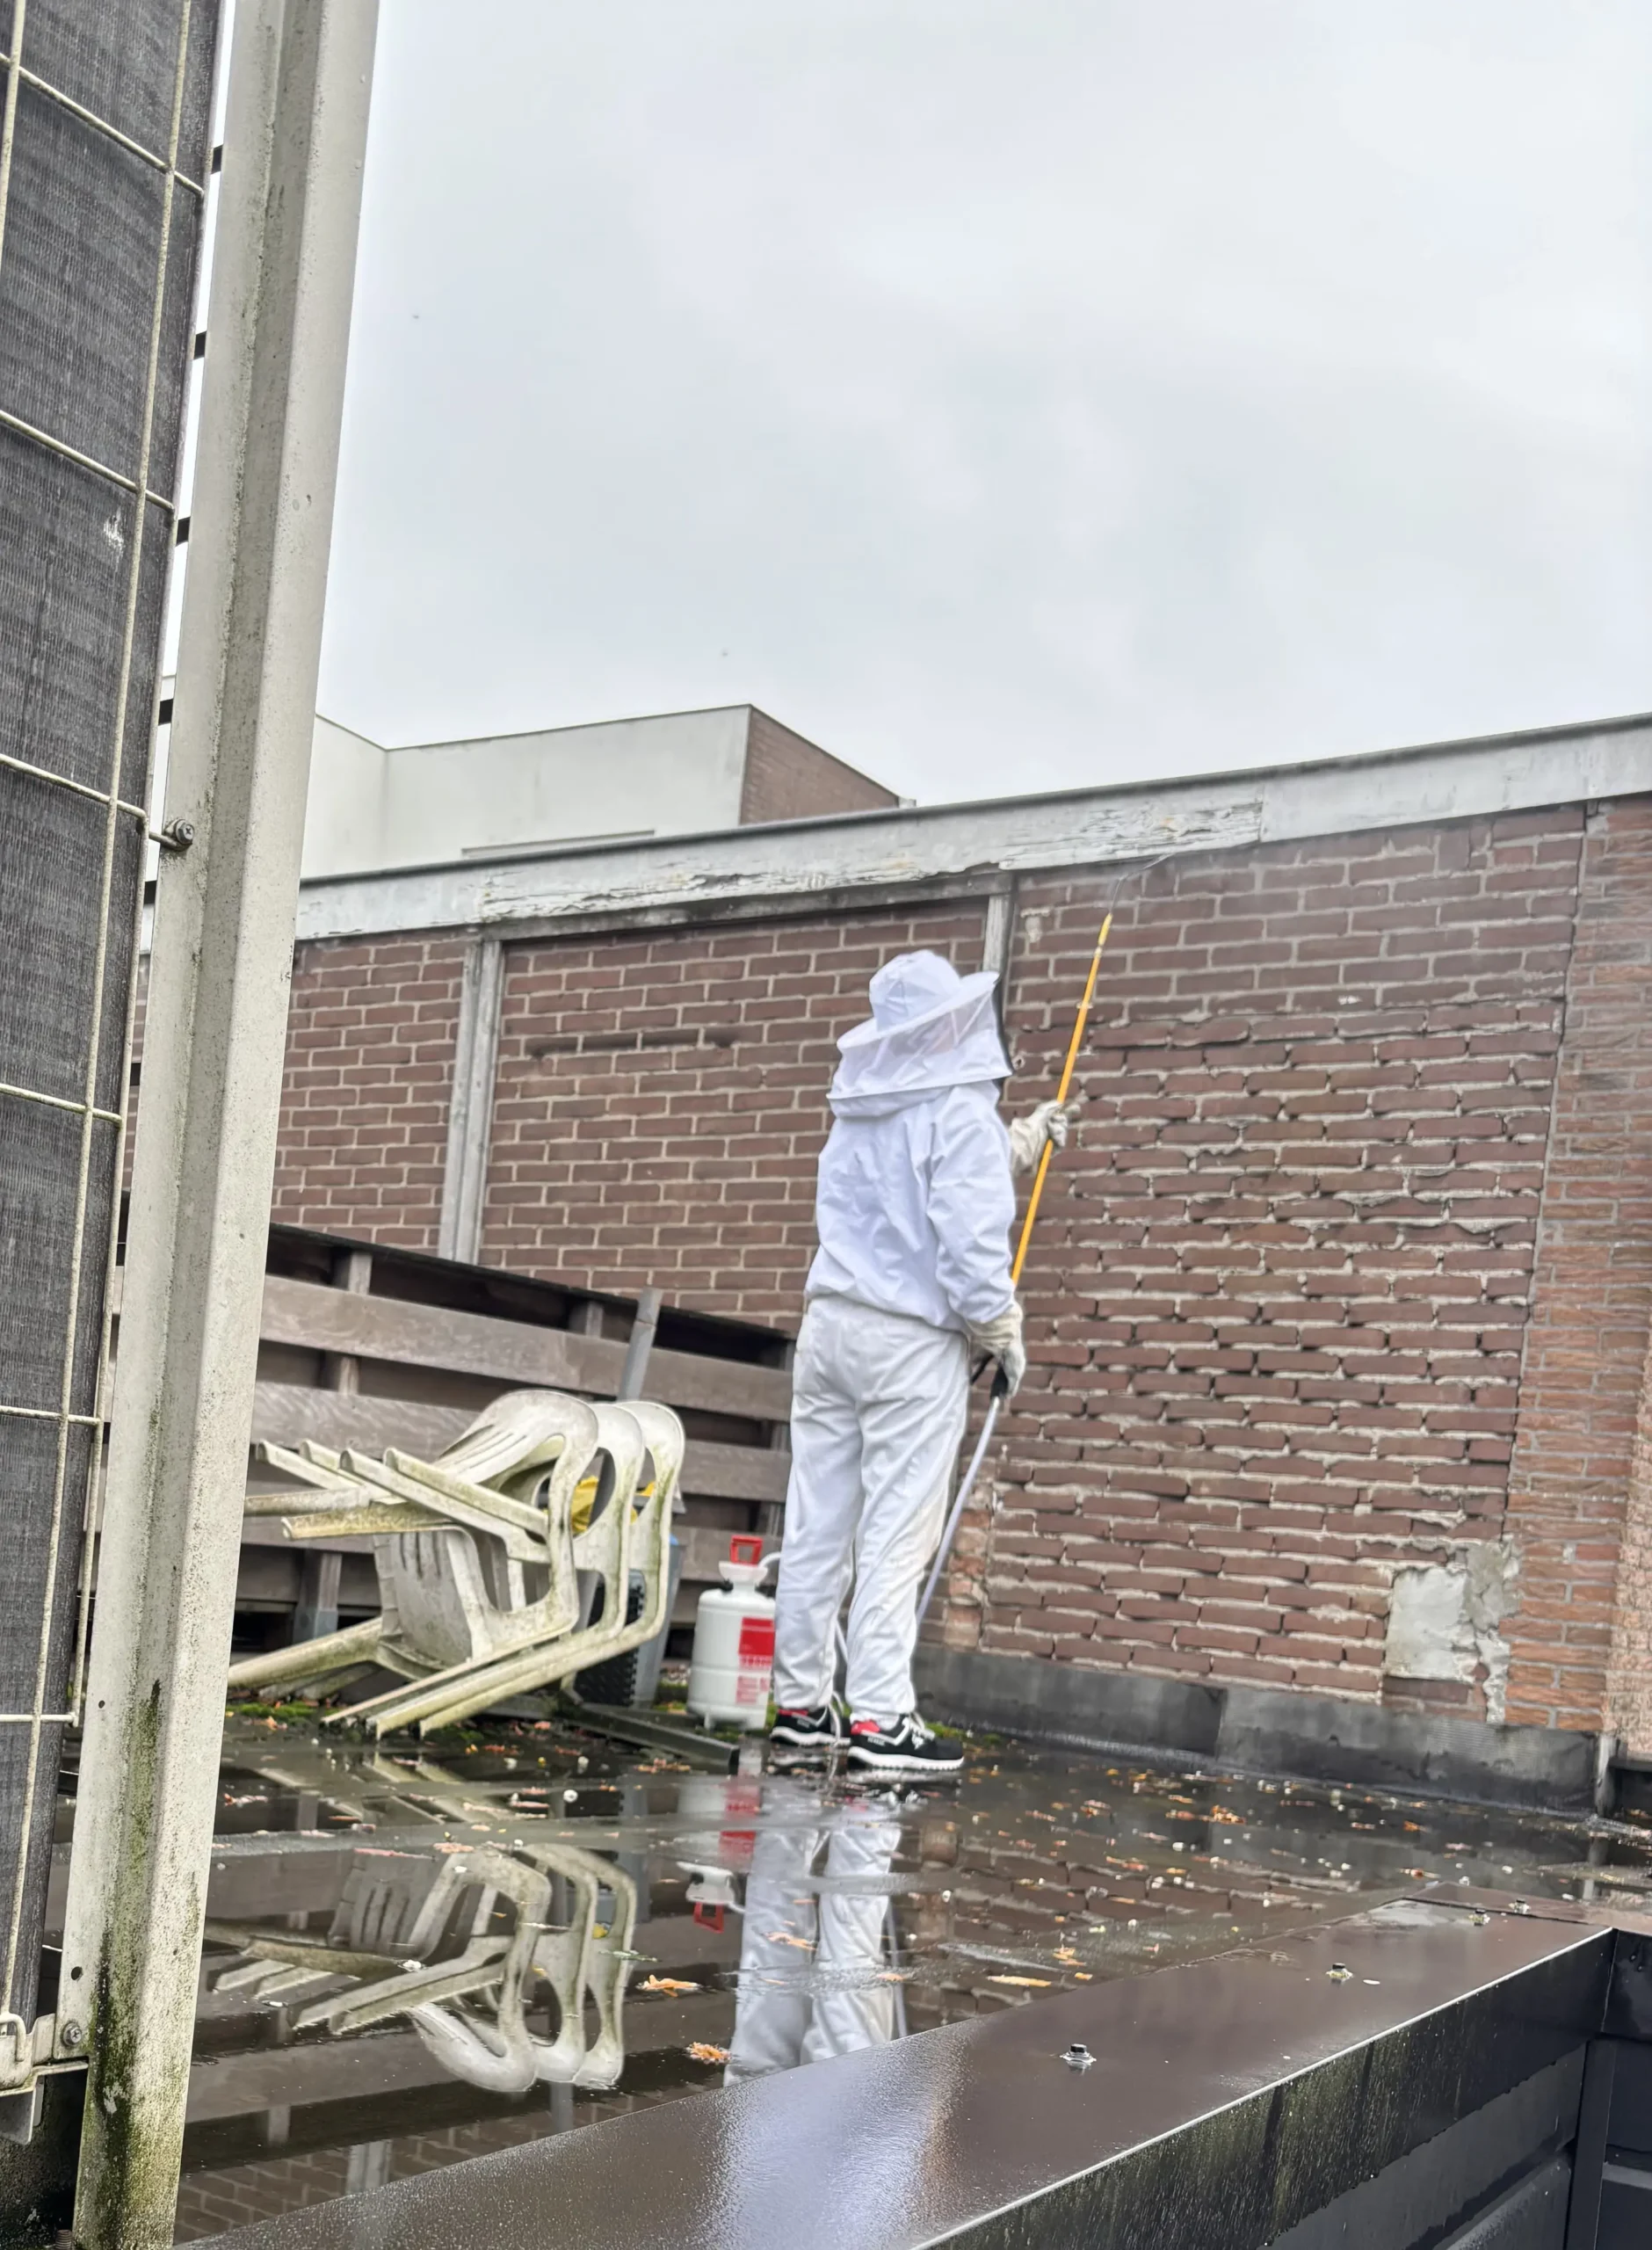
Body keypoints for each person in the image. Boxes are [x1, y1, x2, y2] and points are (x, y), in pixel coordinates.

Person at [768, 949, 1067, 1777]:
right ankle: (880, 1719)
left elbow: (915, 1179)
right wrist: (1001, 1331)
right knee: (898, 1529)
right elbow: (968, 1241)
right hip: (908, 1345)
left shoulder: (860, 1107)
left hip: (829, 1330)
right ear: (950, 1023)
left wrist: (1023, 1142)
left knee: (820, 1522)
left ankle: (801, 1706)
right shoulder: (958, 1109)